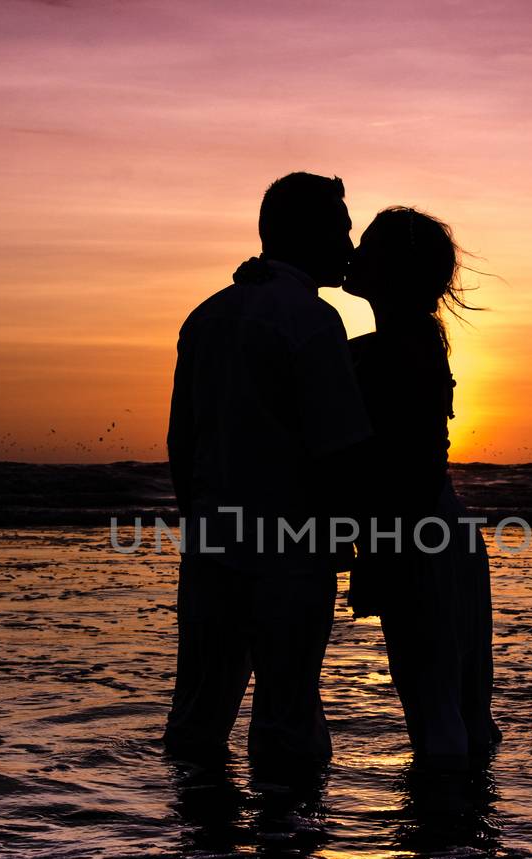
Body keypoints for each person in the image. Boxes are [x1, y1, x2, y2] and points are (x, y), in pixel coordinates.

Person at [164, 172, 370, 768]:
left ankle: (202, 843)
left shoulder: (207, 316)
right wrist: (346, 541)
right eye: (341, 231)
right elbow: (338, 449)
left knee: (199, 713)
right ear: (306, 234)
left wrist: (196, 526)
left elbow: (183, 440)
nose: (349, 247)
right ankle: (288, 847)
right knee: (288, 717)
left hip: (211, 545)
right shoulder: (312, 320)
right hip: (290, 551)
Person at [342, 207, 499, 767]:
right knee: (458, 704)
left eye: (365, 247)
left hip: (416, 530)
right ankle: (463, 829)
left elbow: (410, 465)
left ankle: (446, 839)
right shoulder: (404, 343)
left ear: (390, 268)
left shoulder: (393, 350)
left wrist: (377, 553)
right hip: (440, 526)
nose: (352, 255)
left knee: (433, 704)